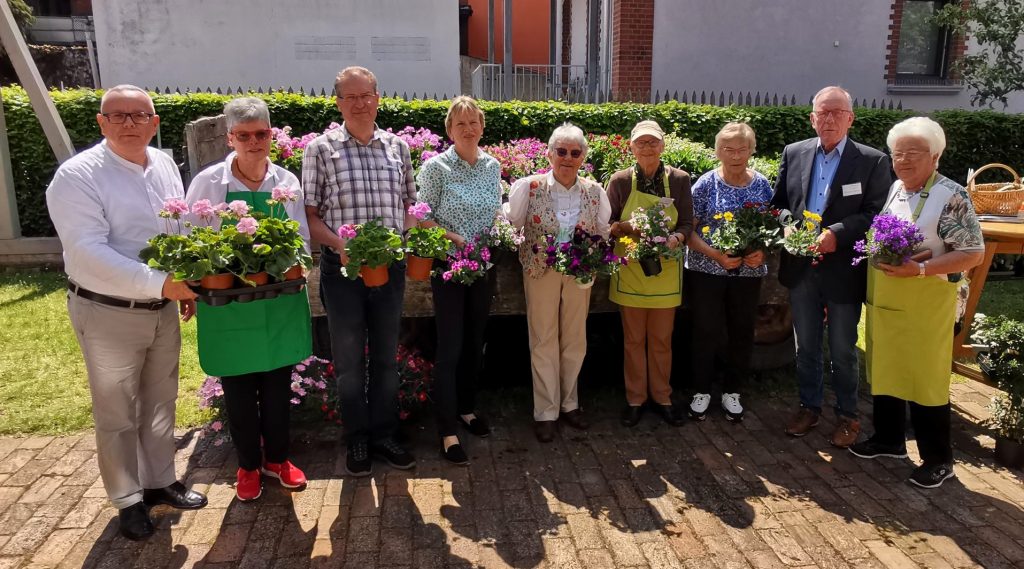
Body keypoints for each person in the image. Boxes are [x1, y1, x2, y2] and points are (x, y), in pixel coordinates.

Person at [45, 85, 207, 541]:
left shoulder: (164, 165)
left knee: (160, 400)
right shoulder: (78, 176)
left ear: (155, 123)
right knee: (116, 411)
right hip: (107, 310)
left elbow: (175, 228)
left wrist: (181, 283)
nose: (129, 123)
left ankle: (159, 481)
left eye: (140, 115)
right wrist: (161, 282)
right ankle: (126, 499)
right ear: (101, 123)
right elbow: (87, 251)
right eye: (118, 116)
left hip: (162, 307)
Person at [186, 97, 312, 500]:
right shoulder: (208, 183)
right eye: (245, 135)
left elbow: (301, 240)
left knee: (277, 384)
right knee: (237, 387)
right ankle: (247, 466)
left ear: (271, 135)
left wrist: (298, 266)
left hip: (278, 300)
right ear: (230, 138)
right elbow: (192, 241)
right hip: (229, 305)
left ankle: (278, 460)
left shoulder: (287, 182)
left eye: (262, 134)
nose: (255, 142)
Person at [849, 117, 984, 488]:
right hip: (890, 299)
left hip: (926, 301)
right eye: (898, 153)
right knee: (888, 366)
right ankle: (889, 440)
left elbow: (972, 252)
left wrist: (921, 270)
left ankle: (939, 459)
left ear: (936, 156)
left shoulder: (951, 195)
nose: (904, 160)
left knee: (925, 377)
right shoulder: (897, 188)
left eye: (914, 153)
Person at [303, 66, 418, 477]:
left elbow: (409, 207)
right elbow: (311, 216)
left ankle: (385, 435)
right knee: (350, 362)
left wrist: (411, 235)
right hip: (342, 271)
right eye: (350, 97)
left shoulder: (397, 148)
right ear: (337, 102)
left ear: (377, 97)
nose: (359, 103)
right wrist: (340, 244)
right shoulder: (320, 149)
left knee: (386, 358)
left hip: (390, 269)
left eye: (365, 95)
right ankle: (356, 441)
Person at [771, 86, 893, 448]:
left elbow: (875, 214)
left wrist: (836, 234)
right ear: (812, 118)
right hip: (801, 266)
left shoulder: (872, 161)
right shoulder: (794, 153)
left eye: (836, 112)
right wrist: (787, 222)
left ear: (850, 118)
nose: (828, 119)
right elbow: (777, 204)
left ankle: (847, 414)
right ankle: (809, 406)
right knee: (805, 344)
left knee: (842, 347)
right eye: (822, 113)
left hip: (843, 268)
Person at [506, 123, 611, 442]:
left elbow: (604, 231)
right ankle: (546, 412)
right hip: (541, 269)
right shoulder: (530, 185)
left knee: (575, 338)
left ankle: (570, 404)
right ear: (549, 153)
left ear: (583, 156)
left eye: (575, 152)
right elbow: (512, 223)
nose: (567, 157)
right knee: (543, 338)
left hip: (580, 271)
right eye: (561, 151)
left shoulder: (595, 190)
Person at [415, 96, 502, 464]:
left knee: (473, 343)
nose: (468, 129)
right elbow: (421, 215)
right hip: (449, 268)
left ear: (481, 127)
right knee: (449, 349)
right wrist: (455, 241)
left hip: (482, 268)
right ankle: (447, 430)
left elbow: (496, 210)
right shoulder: (436, 168)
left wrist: (500, 235)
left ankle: (467, 408)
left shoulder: (492, 166)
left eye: (474, 122)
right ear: (449, 130)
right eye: (460, 124)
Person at [606, 120, 693, 427]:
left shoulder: (679, 180)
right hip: (631, 269)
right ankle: (635, 399)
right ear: (631, 147)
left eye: (653, 143)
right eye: (641, 143)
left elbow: (686, 223)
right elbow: (608, 224)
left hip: (666, 270)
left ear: (662, 146)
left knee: (661, 340)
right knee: (632, 340)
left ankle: (663, 396)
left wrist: (676, 238)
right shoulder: (619, 181)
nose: (647, 148)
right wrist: (630, 232)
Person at [685, 122, 773, 422]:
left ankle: (732, 391)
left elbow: (770, 229)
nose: (735, 155)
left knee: (741, 330)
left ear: (751, 150)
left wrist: (762, 250)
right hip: (707, 270)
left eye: (741, 148)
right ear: (718, 151)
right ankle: (701, 391)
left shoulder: (762, 185)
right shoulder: (705, 185)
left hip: (747, 273)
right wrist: (716, 255)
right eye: (728, 148)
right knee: (706, 330)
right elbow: (689, 232)